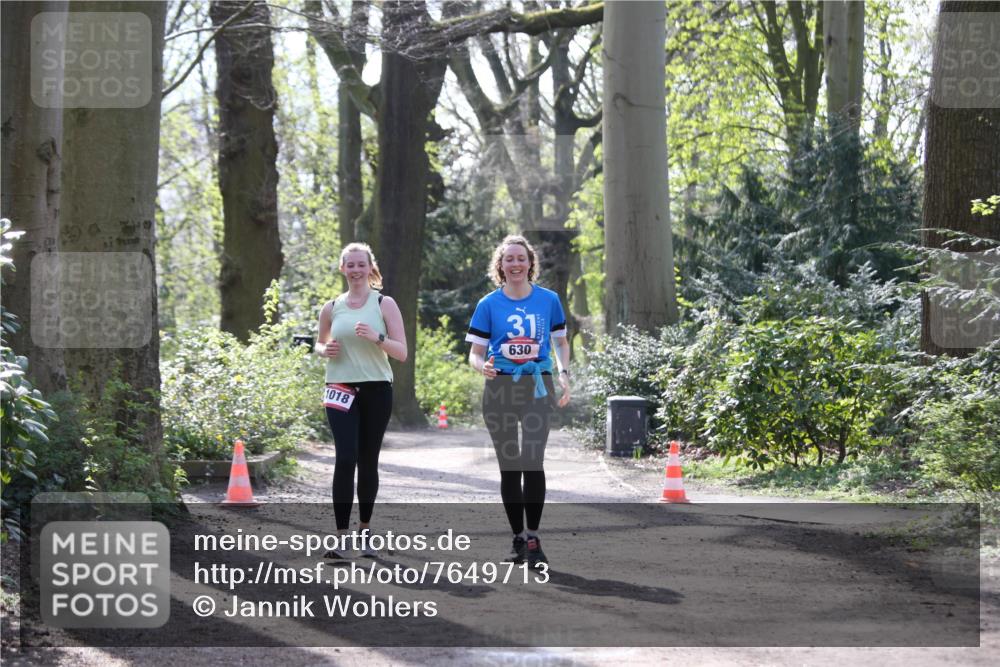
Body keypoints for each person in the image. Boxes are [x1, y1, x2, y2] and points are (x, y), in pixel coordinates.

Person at [466, 235, 571, 568]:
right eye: (508, 259)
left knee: (533, 461)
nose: (515, 264)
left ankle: (534, 538)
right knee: (510, 467)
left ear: (530, 263)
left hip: (538, 386)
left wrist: (565, 373)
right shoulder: (488, 304)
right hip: (500, 389)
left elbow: (561, 342)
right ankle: (517, 538)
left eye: (520, 258)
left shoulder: (549, 300)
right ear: (501, 265)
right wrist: (481, 366)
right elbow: (475, 352)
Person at [315, 242, 406, 558]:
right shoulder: (331, 307)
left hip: (377, 387)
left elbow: (402, 352)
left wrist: (377, 338)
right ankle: (341, 538)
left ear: (370, 268)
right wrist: (322, 350)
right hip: (339, 386)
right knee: (345, 457)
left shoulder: (384, 303)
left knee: (368, 460)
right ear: (342, 269)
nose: (355, 270)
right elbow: (320, 342)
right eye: (349, 265)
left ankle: (365, 531)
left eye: (360, 264)